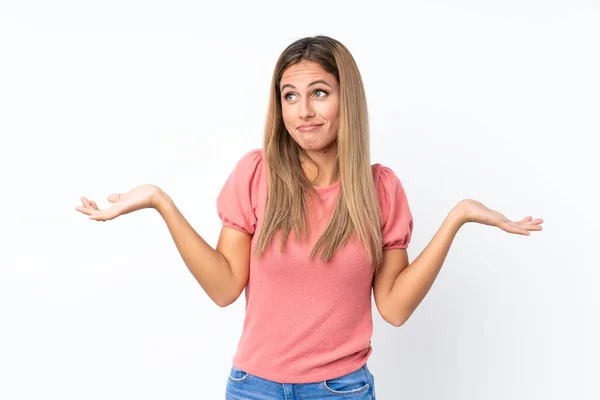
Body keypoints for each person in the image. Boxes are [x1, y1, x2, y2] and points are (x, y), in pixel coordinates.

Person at [75, 35, 543, 399]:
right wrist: (161, 201)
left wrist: (457, 217)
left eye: (319, 92)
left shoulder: (380, 190)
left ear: (347, 99)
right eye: (290, 95)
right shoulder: (256, 174)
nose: (303, 111)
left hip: (341, 389)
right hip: (253, 386)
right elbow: (223, 288)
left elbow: (395, 308)